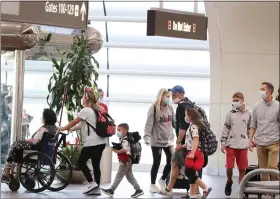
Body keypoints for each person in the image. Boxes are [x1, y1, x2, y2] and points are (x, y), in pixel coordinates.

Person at [58, 86, 106, 195]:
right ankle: (96, 188)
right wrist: (70, 129)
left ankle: (92, 183)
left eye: (83, 97)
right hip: (101, 142)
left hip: (92, 142)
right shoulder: (95, 109)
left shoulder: (85, 110)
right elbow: (82, 125)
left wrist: (64, 128)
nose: (81, 99)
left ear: (86, 99)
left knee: (80, 162)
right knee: (96, 165)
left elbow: (74, 122)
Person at [160, 85, 203, 197]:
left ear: (181, 94)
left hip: (184, 144)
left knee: (185, 167)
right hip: (188, 143)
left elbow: (183, 127)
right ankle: (170, 189)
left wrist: (178, 142)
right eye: (172, 95)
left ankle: (199, 190)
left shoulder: (181, 106)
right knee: (177, 164)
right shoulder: (189, 103)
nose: (172, 97)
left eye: (174, 95)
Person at [1, 108, 58, 183]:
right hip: (46, 151)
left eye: (42, 116)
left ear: (46, 119)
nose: (41, 118)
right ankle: (7, 171)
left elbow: (35, 141)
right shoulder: (55, 129)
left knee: (15, 146)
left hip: (36, 149)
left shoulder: (44, 129)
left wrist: (27, 140)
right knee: (16, 144)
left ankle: (6, 172)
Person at [144, 88, 175, 193]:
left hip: (169, 140)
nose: (169, 98)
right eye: (167, 96)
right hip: (156, 140)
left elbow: (174, 123)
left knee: (172, 160)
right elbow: (149, 124)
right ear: (161, 96)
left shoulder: (170, 108)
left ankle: (162, 179)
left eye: (169, 96)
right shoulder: (153, 108)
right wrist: (146, 136)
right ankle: (152, 185)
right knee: (156, 162)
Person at [101, 123, 144, 198]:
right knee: (129, 176)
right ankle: (138, 190)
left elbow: (125, 149)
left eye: (119, 130)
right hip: (129, 160)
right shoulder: (126, 139)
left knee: (119, 175)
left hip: (125, 161)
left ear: (125, 131)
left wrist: (116, 151)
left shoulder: (125, 140)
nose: (118, 132)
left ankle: (111, 190)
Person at [220, 92, 251, 196]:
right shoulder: (230, 113)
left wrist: (250, 141)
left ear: (242, 100)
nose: (234, 102)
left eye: (236, 100)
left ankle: (241, 189)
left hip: (243, 145)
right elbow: (226, 127)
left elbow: (250, 128)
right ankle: (229, 181)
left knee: (242, 168)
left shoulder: (249, 113)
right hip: (231, 144)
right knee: (229, 167)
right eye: (233, 101)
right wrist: (223, 142)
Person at [249, 82, 279, 183]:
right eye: (260, 89)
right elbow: (253, 125)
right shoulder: (256, 106)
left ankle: (275, 190)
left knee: (272, 167)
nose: (260, 91)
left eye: (263, 89)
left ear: (269, 91)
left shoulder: (278, 106)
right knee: (263, 169)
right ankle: (266, 192)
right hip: (260, 142)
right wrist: (250, 140)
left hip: (274, 141)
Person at [184, 108, 212, 199]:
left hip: (194, 153)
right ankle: (192, 194)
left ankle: (205, 188)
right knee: (192, 174)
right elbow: (190, 141)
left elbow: (196, 140)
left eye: (186, 115)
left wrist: (192, 153)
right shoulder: (192, 125)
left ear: (190, 116)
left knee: (189, 172)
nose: (185, 117)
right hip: (192, 151)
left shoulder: (193, 127)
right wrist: (183, 146)